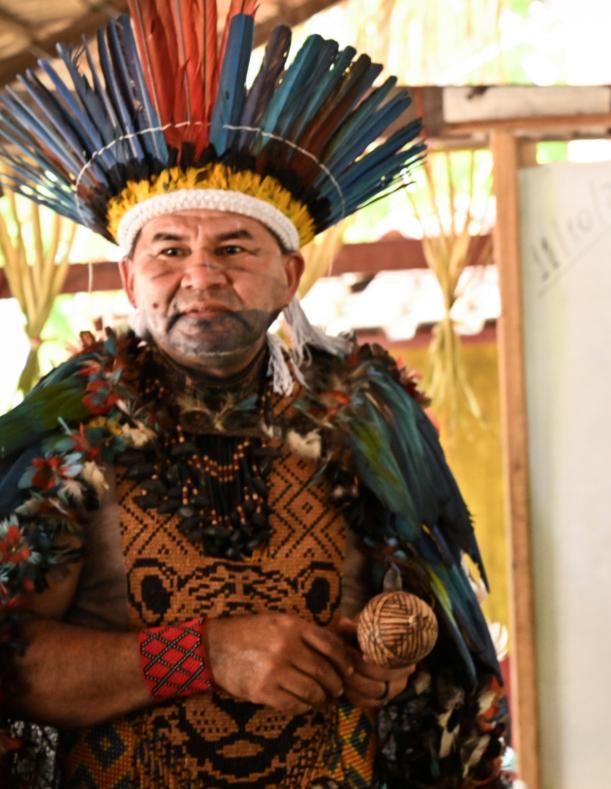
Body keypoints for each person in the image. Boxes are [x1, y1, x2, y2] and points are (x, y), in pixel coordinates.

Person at [0, 1, 507, 786]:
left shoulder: (366, 420)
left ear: (289, 274)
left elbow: (443, 652)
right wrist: (202, 654)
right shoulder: (74, 432)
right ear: (131, 278)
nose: (200, 276)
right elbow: (10, 662)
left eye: (234, 246)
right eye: (169, 251)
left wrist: (390, 668)